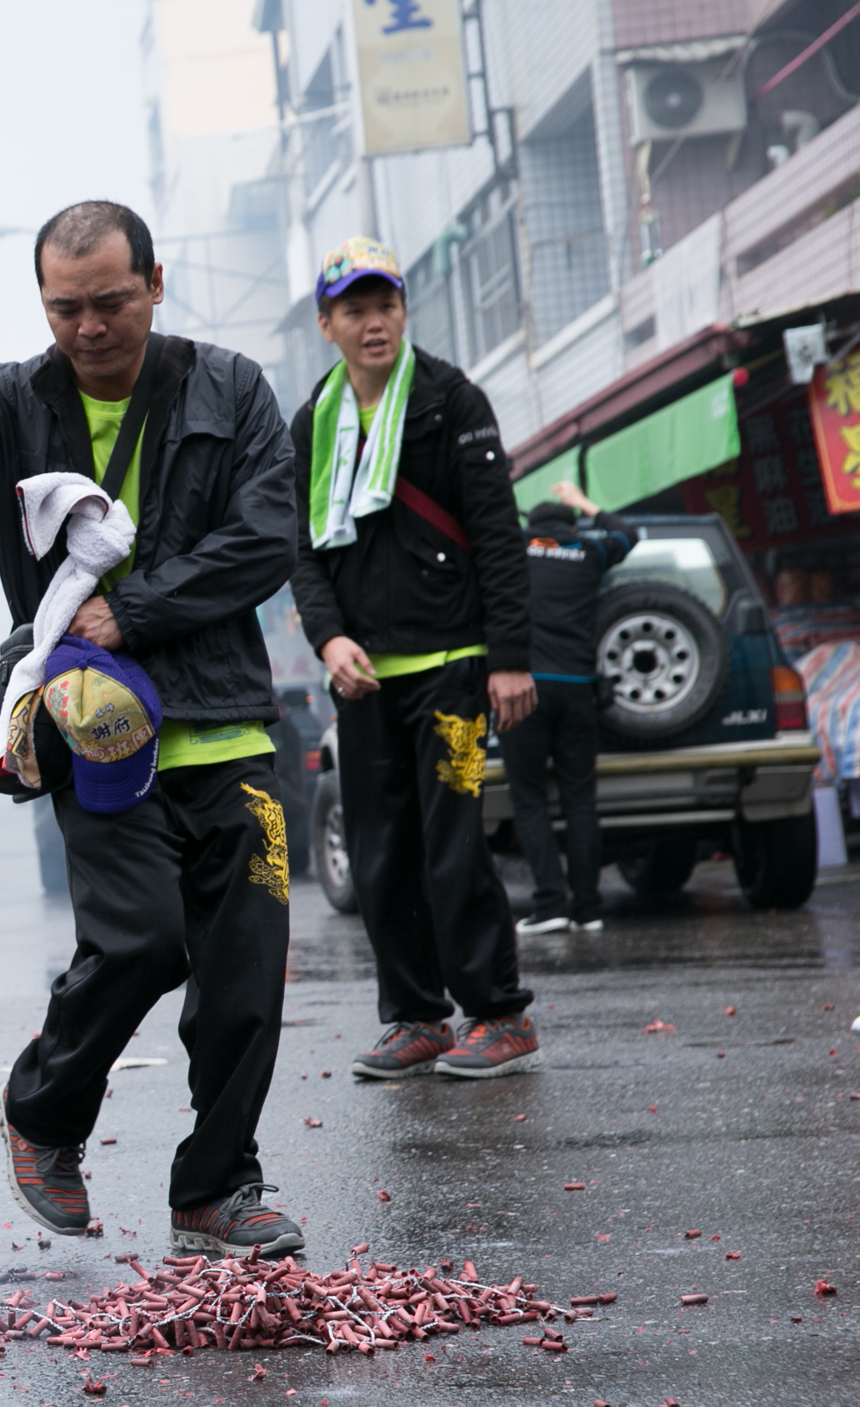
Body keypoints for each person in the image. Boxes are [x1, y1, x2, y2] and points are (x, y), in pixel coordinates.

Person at [0, 198, 307, 1258]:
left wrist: (134, 608)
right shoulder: (14, 406)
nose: (89, 328)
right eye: (65, 309)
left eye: (108, 302)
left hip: (225, 727)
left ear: (153, 282)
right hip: (91, 729)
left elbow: (266, 534)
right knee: (140, 940)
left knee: (244, 970)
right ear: (43, 305)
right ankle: (43, 1114)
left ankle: (217, 1188)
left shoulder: (230, 388)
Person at [286, 237, 541, 1082]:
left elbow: (499, 533)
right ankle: (417, 1017)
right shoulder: (313, 421)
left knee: (453, 842)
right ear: (327, 324)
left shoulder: (449, 397)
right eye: (354, 309)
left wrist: (509, 655)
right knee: (379, 850)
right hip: (362, 679)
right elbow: (302, 553)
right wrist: (329, 639)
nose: (374, 323)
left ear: (402, 310)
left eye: (385, 304)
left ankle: (498, 1014)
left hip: (456, 669)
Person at [511, 481, 636, 936]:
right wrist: (584, 503)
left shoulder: (521, 545)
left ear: (534, 524)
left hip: (524, 689)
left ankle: (550, 905)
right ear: (571, 523)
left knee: (529, 801)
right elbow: (627, 533)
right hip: (580, 690)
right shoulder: (587, 551)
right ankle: (587, 908)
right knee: (581, 801)